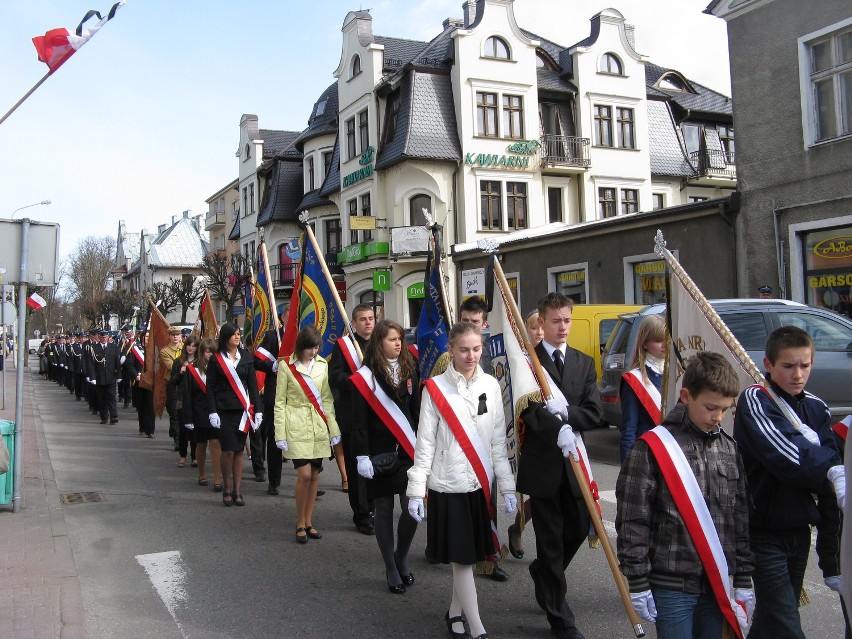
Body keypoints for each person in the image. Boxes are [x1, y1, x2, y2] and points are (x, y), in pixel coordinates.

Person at [616, 352, 754, 637]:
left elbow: (738, 517)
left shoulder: (729, 448)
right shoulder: (651, 448)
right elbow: (633, 519)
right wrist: (638, 579)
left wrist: (742, 575)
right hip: (671, 583)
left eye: (725, 409)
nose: (717, 418)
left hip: (716, 582)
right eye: (710, 407)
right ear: (686, 396)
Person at [406, 321, 516, 639]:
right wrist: (416, 490)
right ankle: (478, 627)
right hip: (447, 485)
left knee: (465, 556)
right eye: (464, 349)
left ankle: (455, 613)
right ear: (451, 350)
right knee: (463, 559)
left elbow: (498, 442)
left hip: (479, 485)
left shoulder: (492, 387)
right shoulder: (435, 389)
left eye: (477, 349)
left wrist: (506, 484)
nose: (471, 356)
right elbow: (425, 443)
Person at [734, 326, 845, 638]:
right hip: (761, 529)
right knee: (785, 622)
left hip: (798, 527)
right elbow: (784, 458)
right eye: (788, 366)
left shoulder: (816, 407)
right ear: (768, 364)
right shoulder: (756, 399)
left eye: (805, 365)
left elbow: (828, 485)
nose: (798, 375)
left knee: (773, 618)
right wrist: (826, 462)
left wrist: (831, 557)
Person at [516, 292, 603, 639]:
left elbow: (594, 411)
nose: (563, 326)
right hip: (544, 466)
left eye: (567, 320)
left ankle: (545, 574)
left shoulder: (583, 363)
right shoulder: (528, 363)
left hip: (576, 464)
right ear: (541, 321)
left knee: (579, 528)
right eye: (555, 320)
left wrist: (567, 416)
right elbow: (528, 410)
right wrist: (556, 427)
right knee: (550, 542)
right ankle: (560, 619)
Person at [351, 320, 421, 594]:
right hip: (378, 453)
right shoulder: (365, 377)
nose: (398, 343)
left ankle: (401, 556)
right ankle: (390, 568)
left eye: (400, 338)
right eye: (392, 339)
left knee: (411, 508)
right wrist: (362, 456)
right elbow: (359, 422)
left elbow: (416, 413)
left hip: (407, 450)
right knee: (383, 510)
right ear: (379, 342)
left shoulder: (410, 369)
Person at [274, 326, 340, 543]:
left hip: (318, 425)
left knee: (315, 476)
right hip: (296, 424)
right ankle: (299, 521)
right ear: (301, 346)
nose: (314, 351)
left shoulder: (322, 365)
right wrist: (280, 433)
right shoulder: (286, 366)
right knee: (304, 475)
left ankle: (309, 521)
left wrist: (333, 429)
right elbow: (279, 403)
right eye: (310, 347)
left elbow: (327, 398)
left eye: (317, 347)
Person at [458, 295, 507, 582]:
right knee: (459, 501)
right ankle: (458, 549)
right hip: (457, 441)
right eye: (465, 321)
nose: (469, 326)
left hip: (485, 441)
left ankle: (489, 556)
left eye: (474, 322)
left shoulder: (495, 354)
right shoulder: (449, 354)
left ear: (484, 323)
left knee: (487, 500)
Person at [329, 303, 376, 535]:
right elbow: (335, 376)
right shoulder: (345, 347)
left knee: (376, 464)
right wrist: (356, 380)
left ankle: (374, 506)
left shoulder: (380, 343)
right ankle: (361, 514)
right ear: (354, 323)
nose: (368, 322)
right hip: (352, 414)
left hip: (377, 415)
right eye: (363, 319)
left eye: (371, 318)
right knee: (357, 466)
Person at [206, 323, 261, 507]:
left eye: (238, 334)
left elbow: (252, 386)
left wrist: (258, 410)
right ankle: (226, 488)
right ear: (225, 337)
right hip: (223, 411)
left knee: (238, 451)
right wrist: (212, 411)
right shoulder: (216, 359)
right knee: (227, 451)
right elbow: (210, 388)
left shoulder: (246, 357)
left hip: (242, 411)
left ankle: (237, 491)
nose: (237, 337)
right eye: (233, 334)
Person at [507, 310, 543, 560]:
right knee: (535, 491)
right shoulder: (520, 359)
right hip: (527, 428)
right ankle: (518, 527)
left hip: (554, 433)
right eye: (534, 327)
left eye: (542, 327)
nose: (539, 332)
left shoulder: (554, 356)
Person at [619, 314, 666, 462]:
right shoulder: (634, 379)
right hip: (647, 455)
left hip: (672, 453)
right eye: (659, 340)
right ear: (645, 343)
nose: (665, 345)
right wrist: (628, 467)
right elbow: (629, 430)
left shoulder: (676, 374)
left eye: (667, 339)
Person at [253, 305, 289, 495]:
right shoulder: (272, 336)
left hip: (298, 396)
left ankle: (309, 482)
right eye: (289, 316)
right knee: (275, 440)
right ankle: (274, 481)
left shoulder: (303, 337)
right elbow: (257, 360)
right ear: (282, 317)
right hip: (275, 394)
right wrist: (273, 365)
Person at [183, 338, 222, 490]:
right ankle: (202, 474)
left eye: (213, 352)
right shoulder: (192, 369)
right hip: (198, 412)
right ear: (202, 352)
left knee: (215, 443)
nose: (210, 355)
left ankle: (218, 478)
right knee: (200, 444)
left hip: (214, 412)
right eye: (207, 352)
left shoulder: (220, 368)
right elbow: (187, 395)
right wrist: (188, 417)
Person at [170, 335, 199, 468]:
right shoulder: (178, 361)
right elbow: (173, 381)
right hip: (182, 398)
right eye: (189, 345)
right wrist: (181, 373)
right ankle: (182, 455)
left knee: (194, 429)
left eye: (193, 346)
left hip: (196, 399)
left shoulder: (200, 362)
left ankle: (194, 456)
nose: (190, 348)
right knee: (183, 428)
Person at [87, 329, 121, 425]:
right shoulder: (93, 348)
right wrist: (92, 377)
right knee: (101, 398)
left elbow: (117, 362)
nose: (104, 338)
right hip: (99, 377)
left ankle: (114, 416)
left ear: (108, 337)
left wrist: (119, 375)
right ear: (98, 337)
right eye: (102, 337)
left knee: (111, 396)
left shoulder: (113, 347)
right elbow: (91, 364)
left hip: (111, 377)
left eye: (105, 337)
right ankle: (104, 417)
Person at [161, 326, 184, 451]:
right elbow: (172, 367)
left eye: (178, 334)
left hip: (185, 383)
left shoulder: (187, 348)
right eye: (173, 334)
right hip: (173, 383)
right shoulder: (165, 351)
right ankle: (177, 438)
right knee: (174, 411)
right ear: (169, 336)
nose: (175, 337)